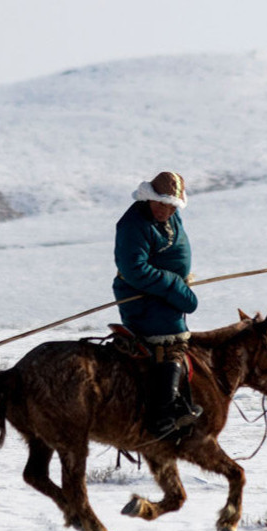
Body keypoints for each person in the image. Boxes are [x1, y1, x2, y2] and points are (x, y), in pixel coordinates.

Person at [113, 171, 202, 437]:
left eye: (171, 204)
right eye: (160, 202)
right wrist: (175, 286)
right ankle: (163, 414)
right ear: (148, 198)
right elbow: (134, 269)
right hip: (140, 296)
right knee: (171, 341)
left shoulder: (173, 217)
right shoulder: (133, 224)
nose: (165, 209)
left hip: (162, 294)